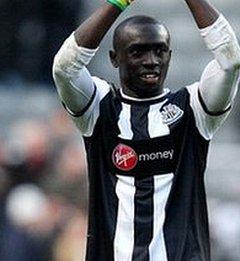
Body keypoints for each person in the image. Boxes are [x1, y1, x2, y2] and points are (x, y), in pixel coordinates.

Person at [52, 0, 240, 260]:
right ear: (114, 58)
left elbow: (230, 61)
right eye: (138, 52)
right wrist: (117, 3)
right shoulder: (100, 109)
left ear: (170, 56)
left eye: (160, 51)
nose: (152, 61)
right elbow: (64, 68)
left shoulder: (193, 108)